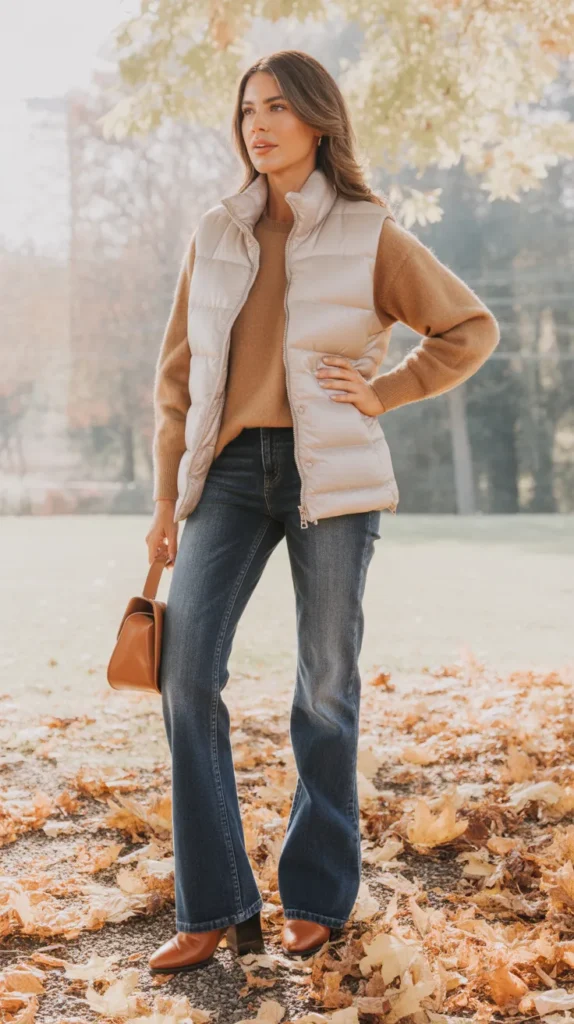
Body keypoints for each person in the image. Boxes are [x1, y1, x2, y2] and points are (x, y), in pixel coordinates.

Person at [146, 49, 500, 973]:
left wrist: (386, 390)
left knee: (326, 687)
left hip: (329, 478)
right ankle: (213, 901)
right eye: (247, 109)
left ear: (318, 121)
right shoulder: (217, 231)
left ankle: (315, 894)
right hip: (226, 476)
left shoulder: (368, 231)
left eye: (277, 108)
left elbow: (469, 328)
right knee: (185, 679)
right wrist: (163, 503)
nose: (257, 124)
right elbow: (177, 380)